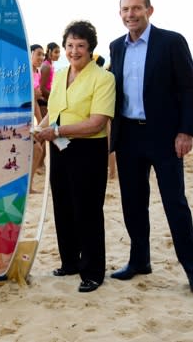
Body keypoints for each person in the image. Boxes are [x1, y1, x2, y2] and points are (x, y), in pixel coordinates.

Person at [108, 0, 193, 294]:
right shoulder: (116, 47)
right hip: (128, 137)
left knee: (175, 203)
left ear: (150, 10)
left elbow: (189, 89)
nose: (130, 14)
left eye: (136, 8)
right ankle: (140, 261)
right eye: (125, 9)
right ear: (120, 13)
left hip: (165, 137)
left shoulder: (171, 42)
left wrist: (186, 131)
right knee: (133, 204)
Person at [34, 21, 115, 293]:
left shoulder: (103, 78)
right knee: (64, 206)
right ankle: (70, 262)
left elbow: (96, 123)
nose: (74, 50)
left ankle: (92, 272)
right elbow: (53, 111)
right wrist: (41, 127)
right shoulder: (59, 75)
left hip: (88, 151)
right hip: (59, 148)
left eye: (80, 45)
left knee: (88, 211)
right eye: (70, 45)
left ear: (91, 48)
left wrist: (55, 130)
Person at [29, 44, 45, 193]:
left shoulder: (37, 72)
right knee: (37, 149)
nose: (41, 57)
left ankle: (29, 185)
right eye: (38, 54)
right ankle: (28, 186)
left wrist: (40, 122)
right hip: (22, 119)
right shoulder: (25, 71)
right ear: (30, 53)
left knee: (38, 149)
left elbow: (36, 98)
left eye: (43, 54)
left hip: (33, 113)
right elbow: (32, 96)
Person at [38, 42, 61, 118]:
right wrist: (55, 98)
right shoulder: (46, 66)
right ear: (49, 52)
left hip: (46, 100)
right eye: (56, 52)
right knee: (44, 128)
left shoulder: (49, 65)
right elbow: (42, 88)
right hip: (44, 102)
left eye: (59, 52)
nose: (58, 55)